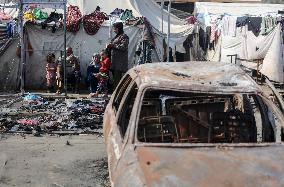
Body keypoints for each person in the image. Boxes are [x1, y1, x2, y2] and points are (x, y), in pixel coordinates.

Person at [106, 22, 129, 88]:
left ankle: (117, 94)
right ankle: (116, 92)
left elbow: (123, 47)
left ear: (119, 28)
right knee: (115, 79)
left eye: (115, 29)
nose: (114, 30)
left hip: (119, 63)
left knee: (117, 79)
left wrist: (113, 45)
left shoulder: (124, 37)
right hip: (114, 62)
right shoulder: (116, 37)